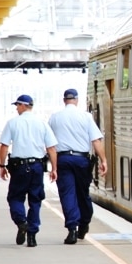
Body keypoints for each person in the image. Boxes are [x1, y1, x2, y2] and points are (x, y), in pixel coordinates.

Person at [48, 88, 108, 244]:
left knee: (67, 194)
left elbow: (50, 145)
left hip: (63, 160)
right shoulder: (86, 117)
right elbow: (96, 141)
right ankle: (84, 223)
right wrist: (104, 161)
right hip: (81, 160)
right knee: (83, 193)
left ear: (64, 100)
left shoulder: (54, 118)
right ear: (77, 100)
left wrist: (53, 167)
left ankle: (72, 230)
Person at [0, 94, 58, 248]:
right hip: (37, 167)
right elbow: (51, 148)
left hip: (18, 167)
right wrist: (54, 168)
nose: (16, 108)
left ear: (24, 105)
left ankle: (21, 222)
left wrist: (1, 165)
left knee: (15, 198)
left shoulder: (12, 123)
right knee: (35, 200)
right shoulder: (42, 124)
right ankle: (32, 236)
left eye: (17, 105)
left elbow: (4, 146)